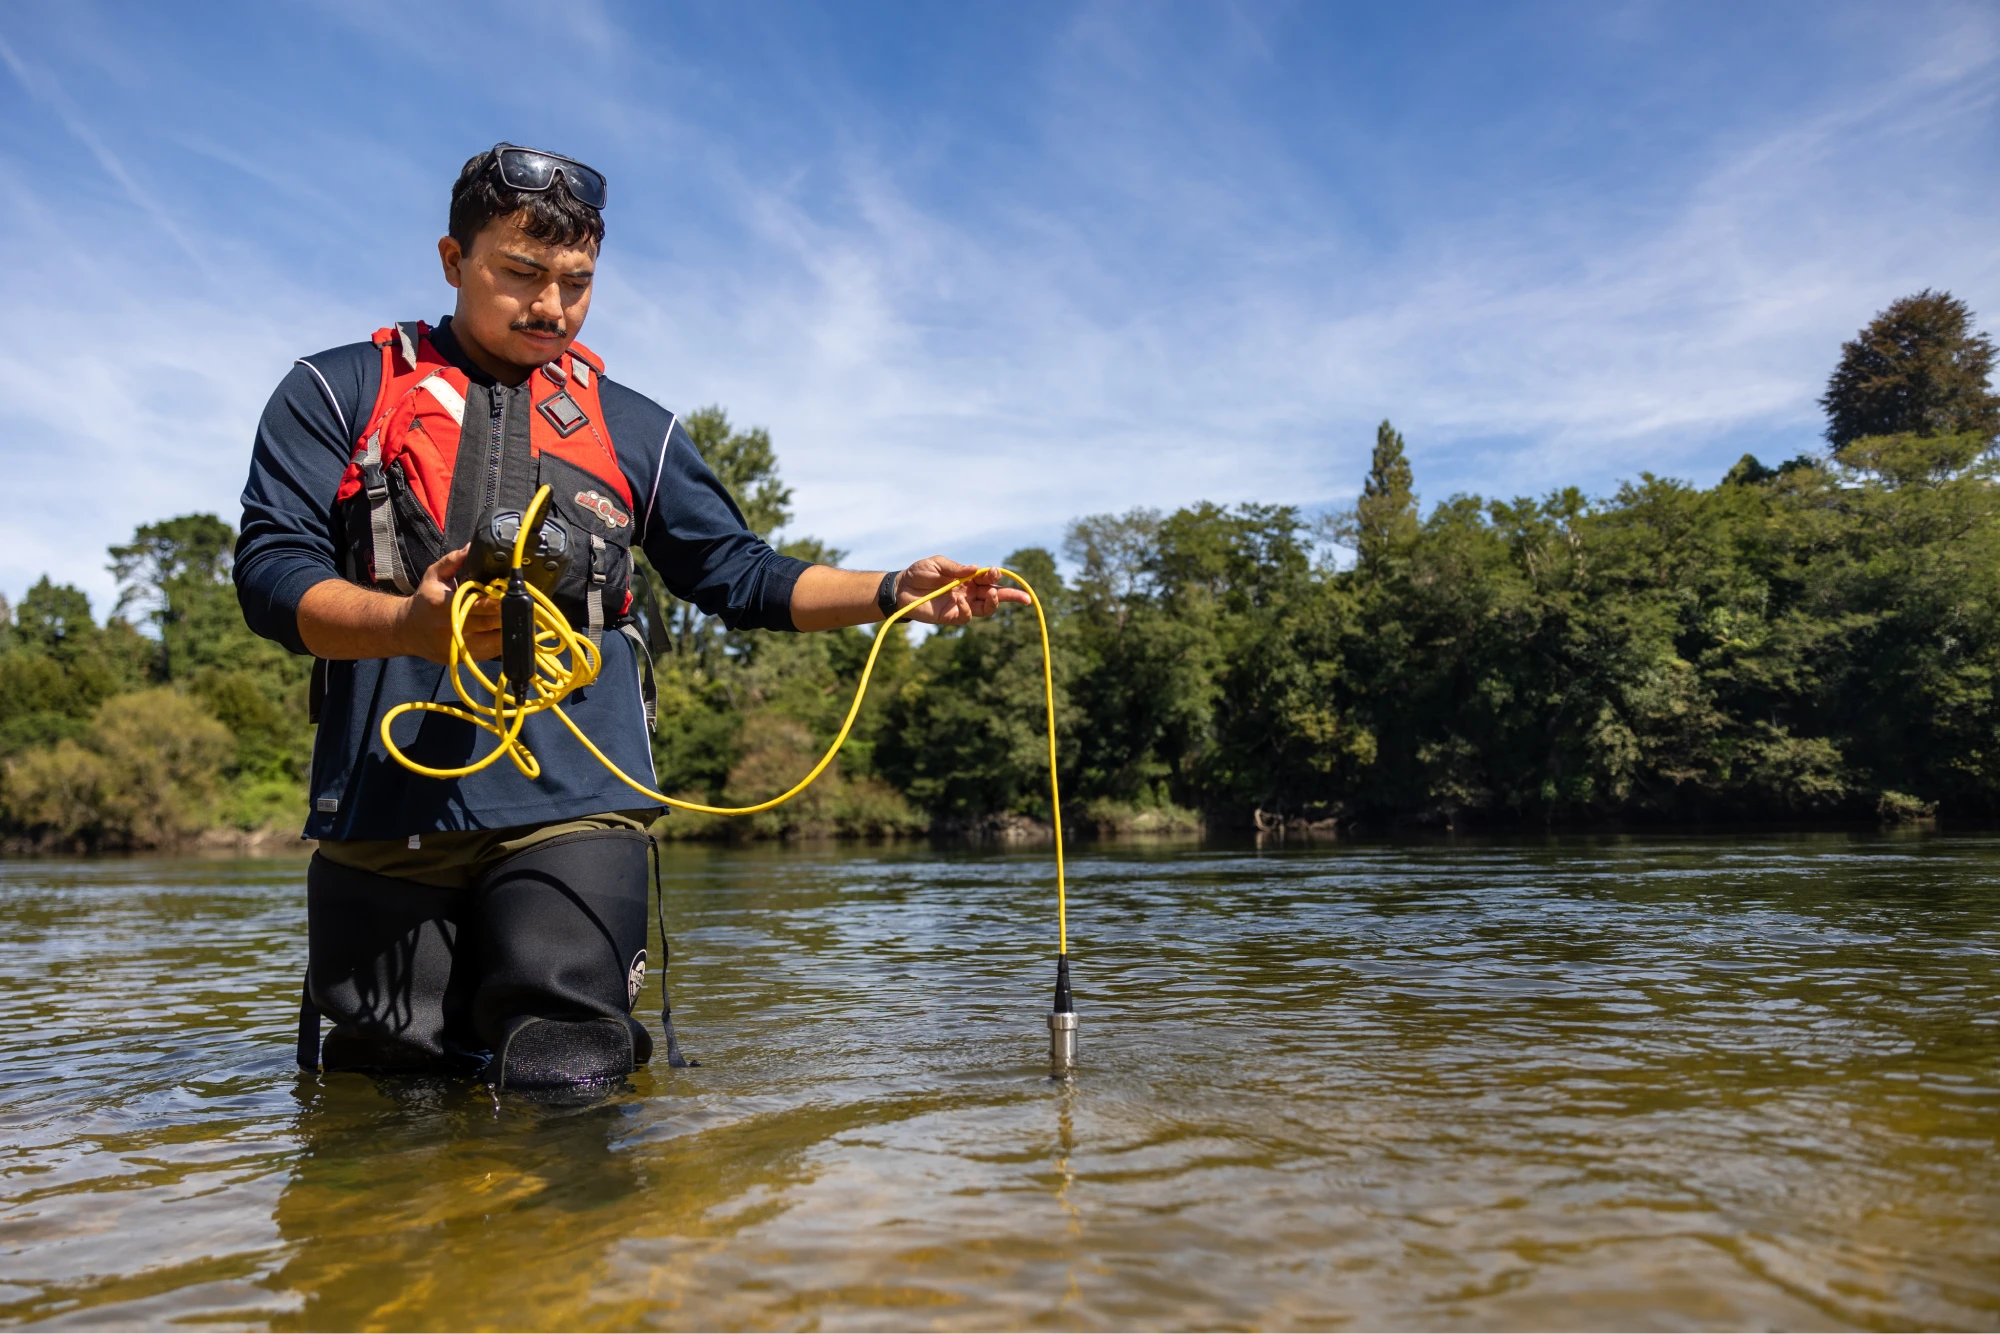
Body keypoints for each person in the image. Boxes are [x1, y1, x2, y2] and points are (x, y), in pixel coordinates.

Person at [235, 143, 1026, 1088]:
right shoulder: (333, 390)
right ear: (453, 261)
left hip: (578, 794)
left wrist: (895, 589)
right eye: (520, 274)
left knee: (569, 1075)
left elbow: (738, 572)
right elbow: (270, 574)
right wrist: (411, 625)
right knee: (380, 1094)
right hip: (382, 799)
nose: (551, 308)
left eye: (577, 283)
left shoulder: (634, 426)